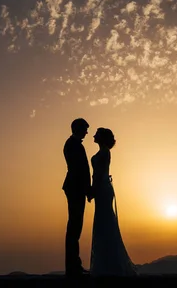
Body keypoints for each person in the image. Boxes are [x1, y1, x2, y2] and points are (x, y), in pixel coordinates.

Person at [89, 128, 137, 276]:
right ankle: (107, 262)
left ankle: (108, 264)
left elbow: (98, 174)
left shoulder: (104, 152)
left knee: (105, 222)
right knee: (104, 221)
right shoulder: (104, 152)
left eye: (96, 133)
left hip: (102, 189)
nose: (93, 135)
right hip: (102, 188)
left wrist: (92, 190)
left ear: (102, 137)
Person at [62, 118, 92, 277]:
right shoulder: (72, 145)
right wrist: (87, 189)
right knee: (74, 227)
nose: (87, 133)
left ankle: (74, 265)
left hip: (76, 188)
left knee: (75, 227)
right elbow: (79, 170)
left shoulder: (74, 144)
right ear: (78, 129)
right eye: (85, 129)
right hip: (75, 188)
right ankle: (73, 267)